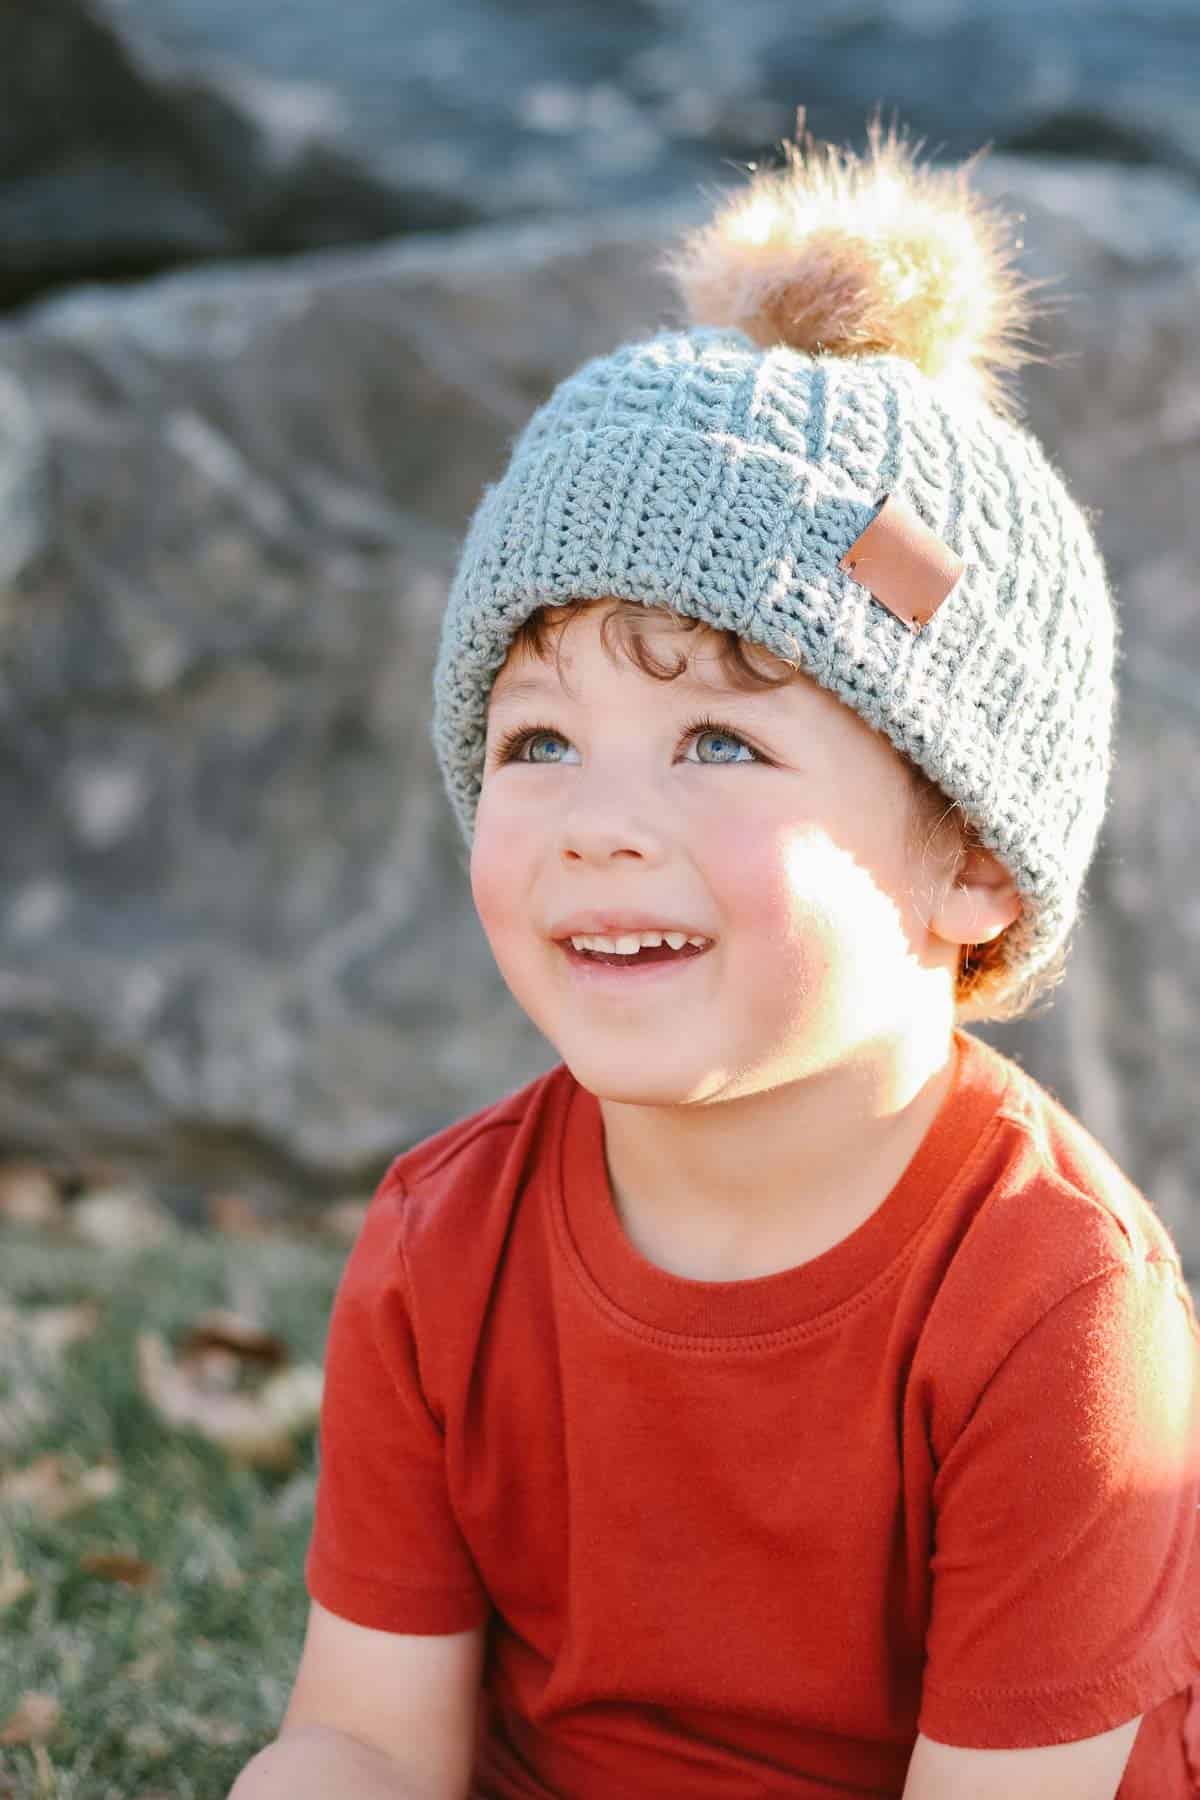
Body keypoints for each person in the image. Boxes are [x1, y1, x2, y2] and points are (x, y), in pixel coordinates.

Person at [229, 113, 1200, 1800]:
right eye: (539, 743)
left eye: (721, 746)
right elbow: (365, 1743)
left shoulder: (1057, 1318)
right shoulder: (438, 1248)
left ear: (968, 858)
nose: (603, 820)